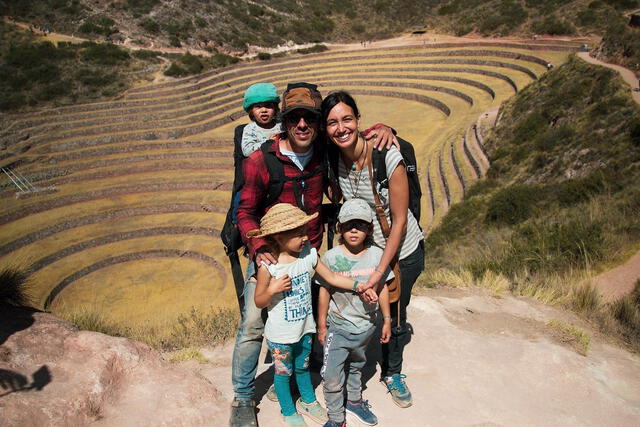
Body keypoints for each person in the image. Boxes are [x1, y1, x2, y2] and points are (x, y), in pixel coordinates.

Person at [230, 82, 396, 427]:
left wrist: (382, 130)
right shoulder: (261, 160)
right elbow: (244, 212)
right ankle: (243, 397)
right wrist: (260, 249)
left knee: (303, 323)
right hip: (271, 256)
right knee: (252, 325)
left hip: (310, 253)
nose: (302, 125)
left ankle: (293, 381)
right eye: (294, 119)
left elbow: (349, 132)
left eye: (310, 118)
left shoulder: (323, 151)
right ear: (284, 123)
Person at [321, 91, 425, 408]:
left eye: (347, 119)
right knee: (362, 306)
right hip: (367, 252)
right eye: (332, 122)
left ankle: (393, 372)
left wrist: (380, 271)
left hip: (400, 252)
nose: (341, 128)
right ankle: (354, 361)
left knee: (393, 311)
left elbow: (400, 222)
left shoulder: (387, 157)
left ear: (359, 120)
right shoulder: (333, 158)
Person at [249, 203, 377, 427]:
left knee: (303, 366)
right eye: (298, 235)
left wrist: (359, 285)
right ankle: (288, 410)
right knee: (282, 373)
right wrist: (271, 289)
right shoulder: (269, 267)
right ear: (279, 237)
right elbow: (259, 300)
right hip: (281, 335)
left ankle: (307, 400)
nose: (305, 238)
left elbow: (333, 278)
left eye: (305, 232)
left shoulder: (308, 255)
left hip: (304, 328)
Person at [317, 199, 392, 427]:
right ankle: (336, 418)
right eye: (349, 225)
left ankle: (355, 401)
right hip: (338, 327)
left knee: (357, 366)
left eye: (360, 225)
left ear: (369, 228)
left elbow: (384, 288)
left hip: (366, 326)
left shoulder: (377, 255)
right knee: (331, 375)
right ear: (340, 227)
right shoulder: (330, 257)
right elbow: (324, 292)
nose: (354, 230)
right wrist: (322, 325)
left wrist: (387, 319)